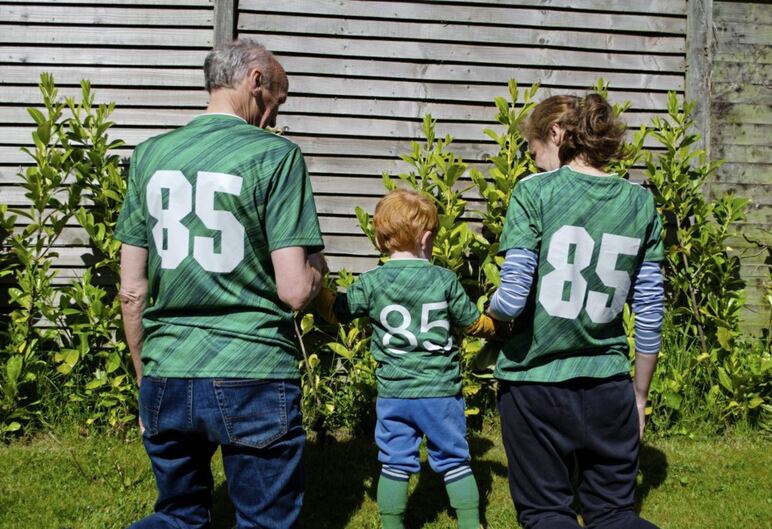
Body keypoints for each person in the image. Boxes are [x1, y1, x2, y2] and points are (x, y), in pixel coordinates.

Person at [116, 39, 325, 529]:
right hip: (252, 369)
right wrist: (318, 271)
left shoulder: (148, 157)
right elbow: (294, 290)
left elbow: (131, 289)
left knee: (178, 516)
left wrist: (145, 376)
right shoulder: (276, 156)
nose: (274, 116)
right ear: (255, 82)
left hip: (168, 367)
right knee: (264, 522)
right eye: (277, 100)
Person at [487, 94, 664, 529]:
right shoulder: (641, 203)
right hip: (609, 386)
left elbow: (511, 300)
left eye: (535, 153)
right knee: (614, 515)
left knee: (548, 514)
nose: (536, 164)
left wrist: (483, 314)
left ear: (555, 135)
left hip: (535, 387)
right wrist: (639, 397)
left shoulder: (534, 192)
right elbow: (650, 312)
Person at [313, 189, 506, 529]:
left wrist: (318, 285)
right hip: (440, 393)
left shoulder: (371, 283)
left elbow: (336, 311)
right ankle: (471, 524)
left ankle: (391, 525)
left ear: (380, 239)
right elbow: (472, 323)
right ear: (427, 237)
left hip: (395, 394)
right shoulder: (444, 280)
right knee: (456, 460)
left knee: (395, 463)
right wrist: (497, 325)